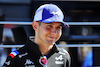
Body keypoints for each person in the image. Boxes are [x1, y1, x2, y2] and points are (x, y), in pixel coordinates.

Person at [3, 3, 71, 67]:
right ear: (35, 26)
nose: (54, 32)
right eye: (49, 26)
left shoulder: (64, 56)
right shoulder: (16, 58)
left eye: (58, 27)